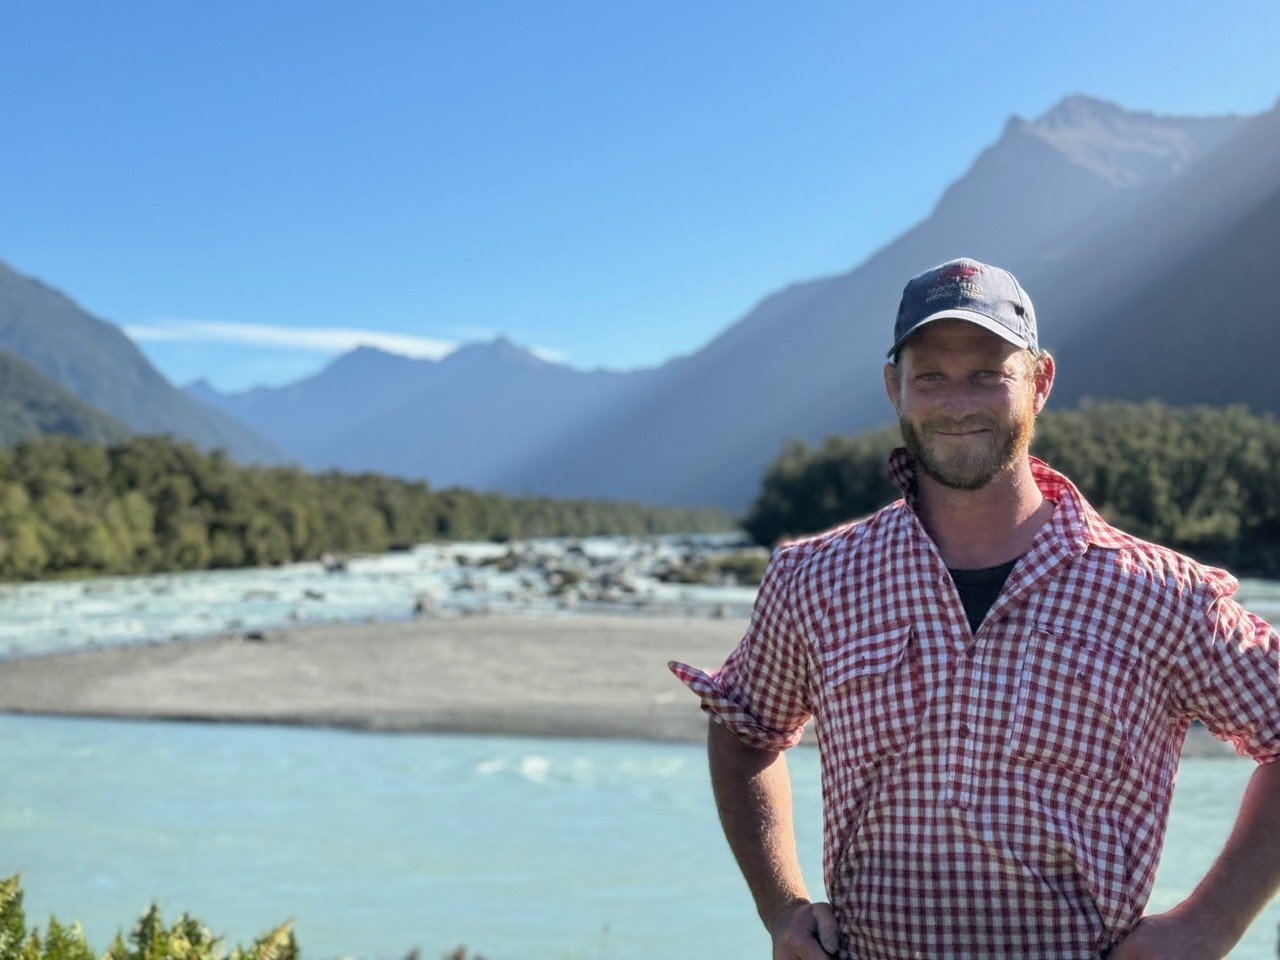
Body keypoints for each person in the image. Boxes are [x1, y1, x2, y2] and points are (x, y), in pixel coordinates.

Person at [669, 258, 1280, 960]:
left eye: (988, 372)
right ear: (894, 387)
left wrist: (1210, 924)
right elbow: (745, 729)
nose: (958, 401)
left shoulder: (1159, 593)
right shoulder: (816, 579)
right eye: (930, 375)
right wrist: (781, 906)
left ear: (1041, 382)